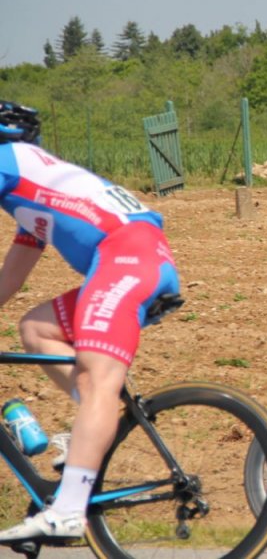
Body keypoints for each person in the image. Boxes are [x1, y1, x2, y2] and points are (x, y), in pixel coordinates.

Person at [0, 101, 181, 541]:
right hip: (135, 255)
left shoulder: (7, 161)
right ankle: (90, 430)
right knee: (37, 329)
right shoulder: (36, 184)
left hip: (126, 257)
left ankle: (67, 511)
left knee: (99, 379)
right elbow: (15, 271)